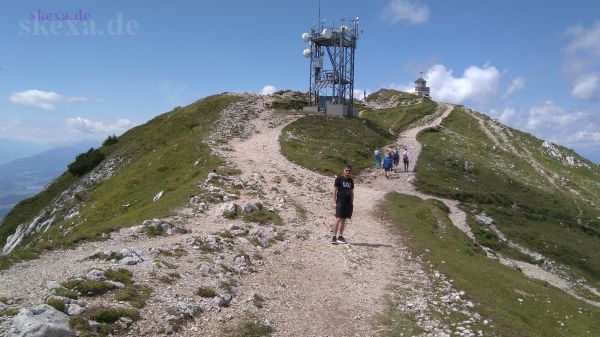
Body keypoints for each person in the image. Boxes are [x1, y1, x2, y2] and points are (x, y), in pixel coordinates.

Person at [331, 164, 354, 244]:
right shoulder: (339, 179)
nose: (348, 172)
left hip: (347, 203)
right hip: (340, 202)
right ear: (344, 170)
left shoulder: (350, 181)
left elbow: (351, 192)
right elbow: (334, 191)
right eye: (346, 170)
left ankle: (340, 236)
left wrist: (352, 202)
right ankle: (334, 237)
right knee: (338, 219)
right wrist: (334, 202)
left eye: (349, 171)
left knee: (343, 220)